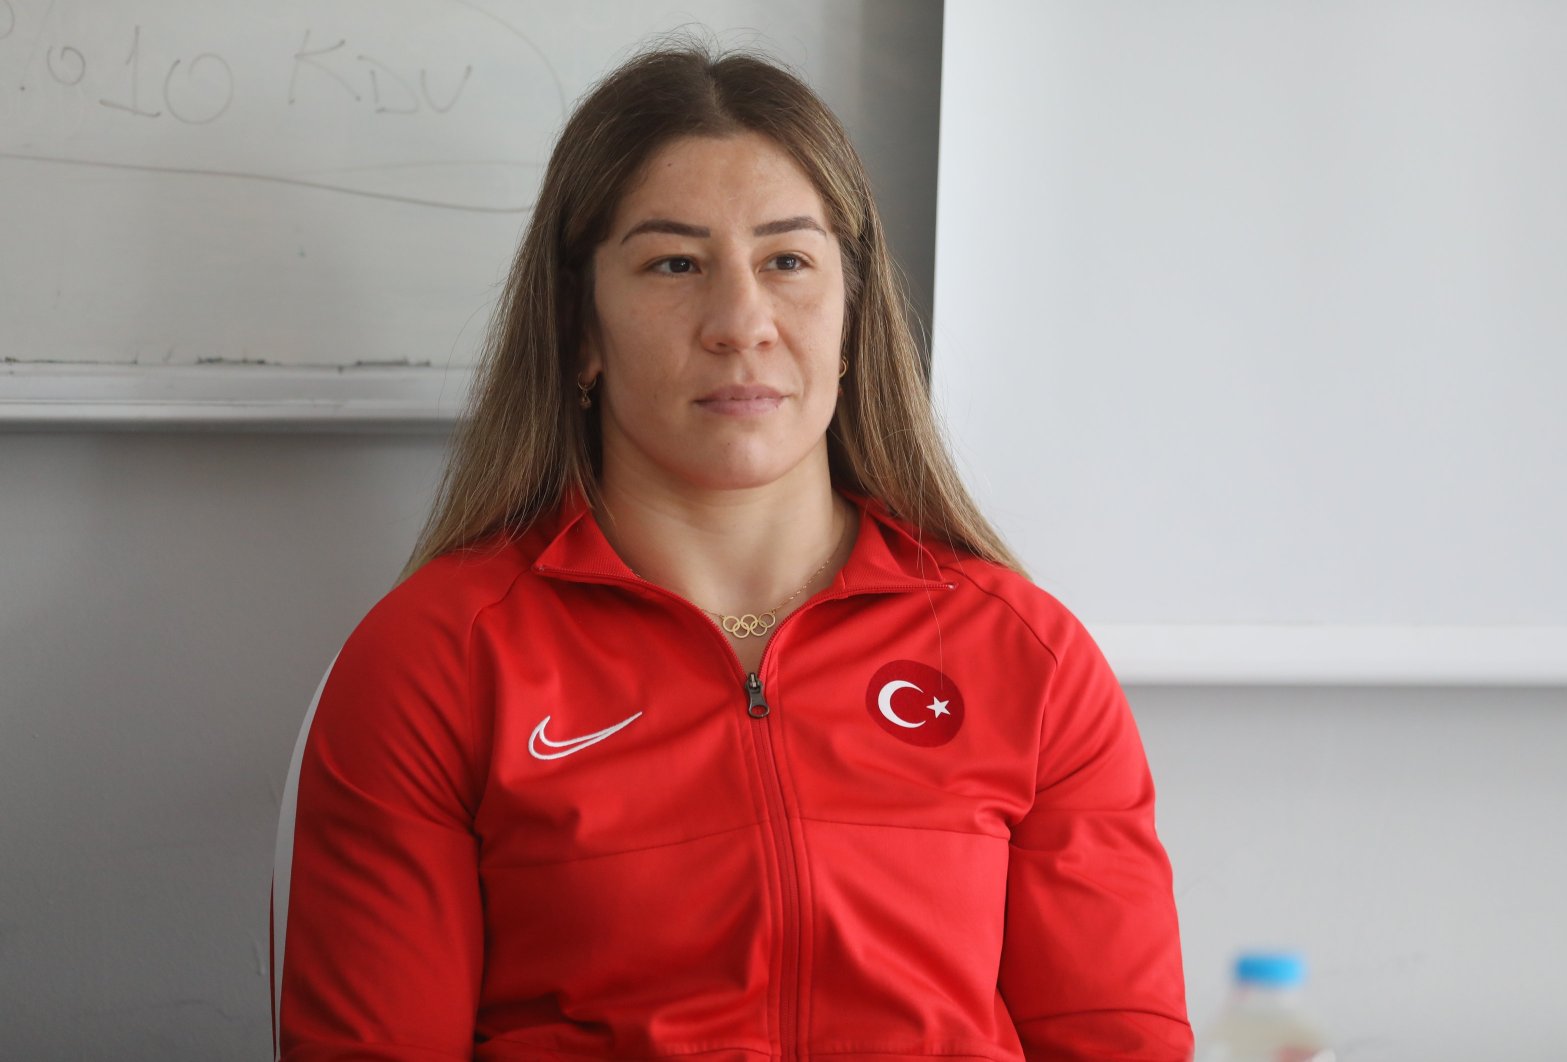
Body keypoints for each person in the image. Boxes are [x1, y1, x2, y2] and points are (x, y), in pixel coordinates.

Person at [271, 40, 1191, 1061]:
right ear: (581, 330)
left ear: (849, 323)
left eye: (787, 261)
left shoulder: (1029, 657)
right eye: (674, 263)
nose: (740, 321)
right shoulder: (434, 661)